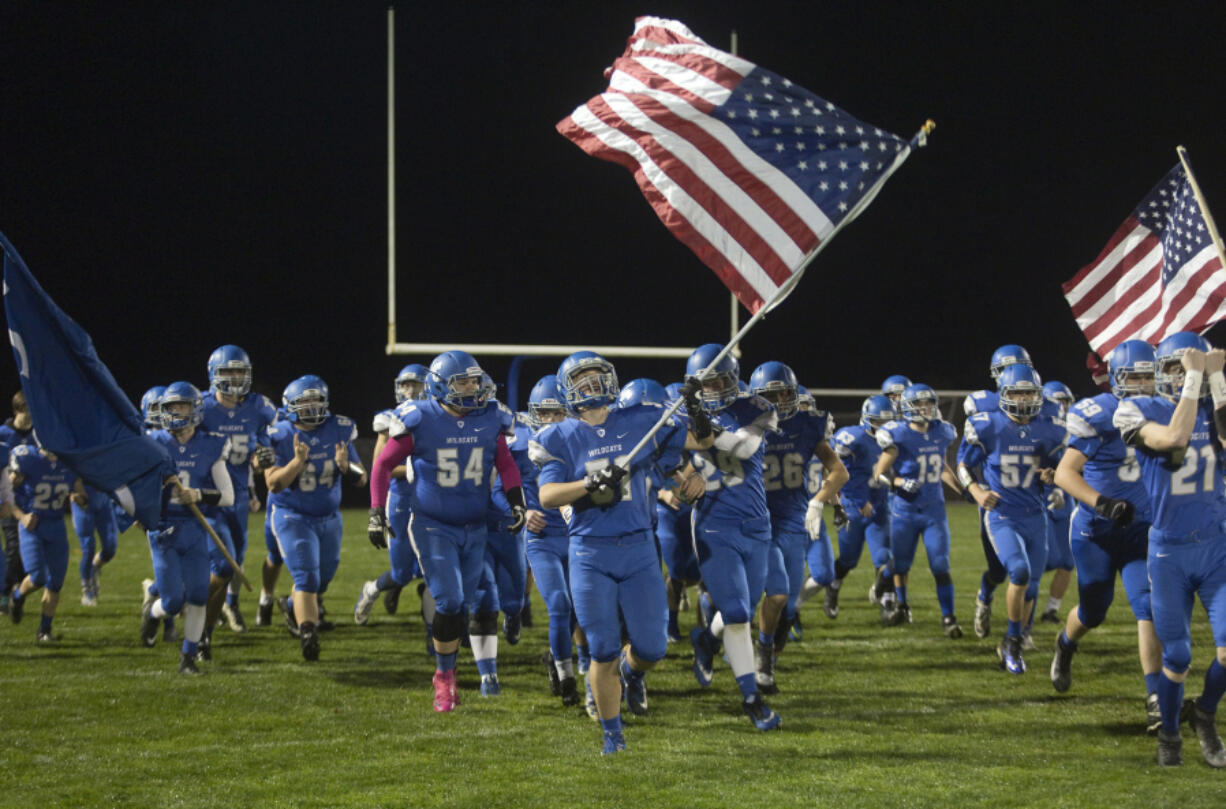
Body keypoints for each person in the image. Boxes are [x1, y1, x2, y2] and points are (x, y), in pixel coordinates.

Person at [532, 350, 708, 753]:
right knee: (603, 647)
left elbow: (704, 440)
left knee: (652, 647)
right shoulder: (559, 436)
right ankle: (613, 735)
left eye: (598, 374)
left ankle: (631, 673)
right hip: (590, 553)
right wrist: (590, 484)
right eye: (583, 377)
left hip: (639, 547)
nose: (593, 382)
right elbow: (547, 494)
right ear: (567, 388)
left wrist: (695, 407)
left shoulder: (640, 420)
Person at [369, 351, 527, 713]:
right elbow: (382, 465)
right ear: (441, 386)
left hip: (475, 525)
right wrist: (377, 512)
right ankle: (444, 677)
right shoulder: (420, 417)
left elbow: (505, 464)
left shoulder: (490, 416)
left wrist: (516, 502)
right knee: (450, 601)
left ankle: (449, 669)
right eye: (464, 381)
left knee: (463, 606)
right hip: (432, 525)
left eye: (476, 380)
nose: (474, 387)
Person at [1113, 335, 1226, 767]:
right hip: (1169, 553)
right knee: (1176, 656)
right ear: (1160, 373)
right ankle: (1172, 733)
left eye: (1187, 367)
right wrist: (1199, 374)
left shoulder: (1214, 402)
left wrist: (1215, 384)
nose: (1181, 376)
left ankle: (1205, 712)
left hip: (1216, 543)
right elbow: (1176, 438)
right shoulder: (1137, 408)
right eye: (1175, 368)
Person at [1050, 339, 1162, 733]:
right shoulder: (1100, 414)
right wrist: (1103, 503)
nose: (1144, 385)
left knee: (1147, 607)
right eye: (1135, 376)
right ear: (1116, 379)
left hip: (1140, 533)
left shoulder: (1164, 410)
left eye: (1150, 376)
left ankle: (1156, 698)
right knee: (1093, 612)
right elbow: (1065, 473)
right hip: (1095, 532)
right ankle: (1066, 644)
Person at [681, 344, 787, 732]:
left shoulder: (756, 407)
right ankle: (751, 700)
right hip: (714, 523)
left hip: (757, 524)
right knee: (739, 613)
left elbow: (741, 447)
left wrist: (697, 420)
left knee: (740, 607)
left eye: (719, 381)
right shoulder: (680, 414)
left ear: (734, 378)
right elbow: (662, 454)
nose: (713, 390)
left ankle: (705, 642)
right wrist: (680, 477)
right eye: (704, 386)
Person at [957, 364, 1065, 673]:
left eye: (1028, 392)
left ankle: (1012, 639)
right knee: (1018, 572)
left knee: (1031, 588)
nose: (1022, 398)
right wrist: (976, 491)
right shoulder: (988, 425)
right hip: (1002, 514)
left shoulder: (1050, 427)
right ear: (1003, 394)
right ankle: (1014, 644)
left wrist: (1051, 476)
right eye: (1016, 391)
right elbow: (963, 464)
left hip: (1036, 515)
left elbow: (1060, 467)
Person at [748, 361, 846, 694]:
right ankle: (759, 654)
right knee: (764, 596)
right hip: (756, 521)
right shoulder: (745, 424)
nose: (777, 401)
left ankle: (766, 655)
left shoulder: (807, 425)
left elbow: (839, 471)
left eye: (784, 393)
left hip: (792, 520)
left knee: (787, 604)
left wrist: (819, 500)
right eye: (769, 395)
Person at [264, 375, 362, 661]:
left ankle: (291, 604)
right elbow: (273, 484)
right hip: (292, 514)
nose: (311, 407)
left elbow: (362, 478)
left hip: (329, 517)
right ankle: (307, 631)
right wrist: (296, 462)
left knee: (323, 576)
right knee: (305, 574)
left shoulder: (339, 429)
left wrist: (347, 468)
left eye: (316, 401)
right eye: (304, 402)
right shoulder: (278, 434)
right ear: (290, 405)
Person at [138, 381, 233, 674]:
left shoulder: (210, 444)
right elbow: (138, 491)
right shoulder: (153, 443)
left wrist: (199, 495)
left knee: (197, 595)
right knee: (172, 601)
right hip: (164, 530)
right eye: (171, 407)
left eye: (182, 406)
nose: (177, 412)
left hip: (194, 527)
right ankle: (153, 614)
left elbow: (227, 496)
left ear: (195, 409)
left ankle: (188, 658)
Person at [874, 383, 965, 635]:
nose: (925, 408)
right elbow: (879, 473)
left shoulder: (941, 432)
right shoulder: (898, 434)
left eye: (928, 403)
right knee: (901, 564)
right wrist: (898, 481)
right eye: (919, 404)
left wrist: (963, 489)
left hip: (934, 510)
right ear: (907, 407)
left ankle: (949, 618)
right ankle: (898, 596)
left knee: (940, 564)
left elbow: (942, 467)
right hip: (905, 511)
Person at [200, 345, 279, 633]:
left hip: (240, 497)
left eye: (239, 371)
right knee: (220, 564)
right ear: (213, 374)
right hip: (208, 497)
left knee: (235, 559)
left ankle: (225, 606)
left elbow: (266, 444)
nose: (234, 377)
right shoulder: (201, 407)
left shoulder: (258, 407)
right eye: (228, 371)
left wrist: (263, 458)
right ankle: (177, 605)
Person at [520, 375, 581, 707]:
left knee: (577, 607)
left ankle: (557, 659)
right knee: (558, 603)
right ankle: (566, 675)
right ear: (534, 414)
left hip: (577, 535)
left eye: (558, 413)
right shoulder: (521, 444)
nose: (552, 420)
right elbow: (502, 486)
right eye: (545, 414)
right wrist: (522, 511)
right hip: (542, 537)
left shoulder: (579, 442)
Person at [354, 364, 430, 627]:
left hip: (432, 500)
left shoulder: (436, 417)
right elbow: (379, 467)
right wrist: (412, 468)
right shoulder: (391, 419)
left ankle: (439, 634)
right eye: (405, 385)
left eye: (416, 384)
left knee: (435, 567)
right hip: (401, 501)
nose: (409, 390)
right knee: (401, 573)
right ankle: (372, 589)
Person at [826, 395, 897, 622]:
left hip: (879, 505)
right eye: (879, 422)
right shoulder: (852, 439)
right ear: (866, 420)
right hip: (853, 507)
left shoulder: (895, 438)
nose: (884, 427)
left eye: (888, 422)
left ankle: (887, 603)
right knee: (848, 559)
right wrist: (859, 500)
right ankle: (833, 586)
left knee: (883, 557)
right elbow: (841, 474)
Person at [8, 444, 87, 642]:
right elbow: (7, 495)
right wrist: (21, 516)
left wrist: (80, 498)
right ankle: (17, 596)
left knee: (56, 582)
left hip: (57, 526)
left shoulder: (68, 462)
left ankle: (45, 630)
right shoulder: (28, 458)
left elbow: (82, 495)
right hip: (32, 525)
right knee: (38, 576)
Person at [1038, 380, 1075, 624]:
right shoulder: (1035, 430)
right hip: (1038, 499)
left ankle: (1051, 609)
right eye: (1057, 402)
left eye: (1065, 402)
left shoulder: (1073, 429)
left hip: (1066, 498)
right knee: (1041, 560)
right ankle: (1024, 603)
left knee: (1068, 561)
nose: (1062, 407)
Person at [0, 391, 35, 612]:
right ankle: (4, 594)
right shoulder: (3, 434)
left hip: (32, 503)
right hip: (10, 502)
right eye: (26, 414)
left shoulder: (38, 435)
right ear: (16, 412)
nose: (30, 419)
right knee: (13, 547)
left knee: (28, 554)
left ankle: (15, 590)